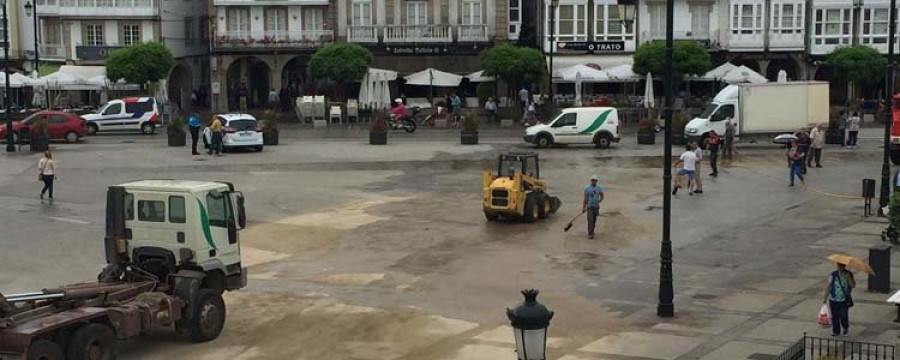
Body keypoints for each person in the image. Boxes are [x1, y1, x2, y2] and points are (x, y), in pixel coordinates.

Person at [823, 262, 855, 337]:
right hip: (833, 299)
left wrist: (849, 278)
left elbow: (853, 285)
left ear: (845, 266)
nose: (840, 267)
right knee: (835, 316)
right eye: (839, 265)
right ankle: (836, 331)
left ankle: (845, 327)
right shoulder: (833, 274)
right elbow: (828, 286)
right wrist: (825, 298)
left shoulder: (848, 274)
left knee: (843, 315)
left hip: (844, 299)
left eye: (842, 265)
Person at [582, 175, 605, 240]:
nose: (593, 181)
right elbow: (585, 199)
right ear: (591, 180)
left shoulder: (599, 188)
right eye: (592, 180)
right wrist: (584, 207)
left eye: (595, 180)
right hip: (589, 207)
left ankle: (592, 231)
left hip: (596, 207)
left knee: (594, 220)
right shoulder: (587, 188)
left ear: (596, 181)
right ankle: (590, 234)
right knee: (590, 221)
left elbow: (602, 196)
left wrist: (600, 200)